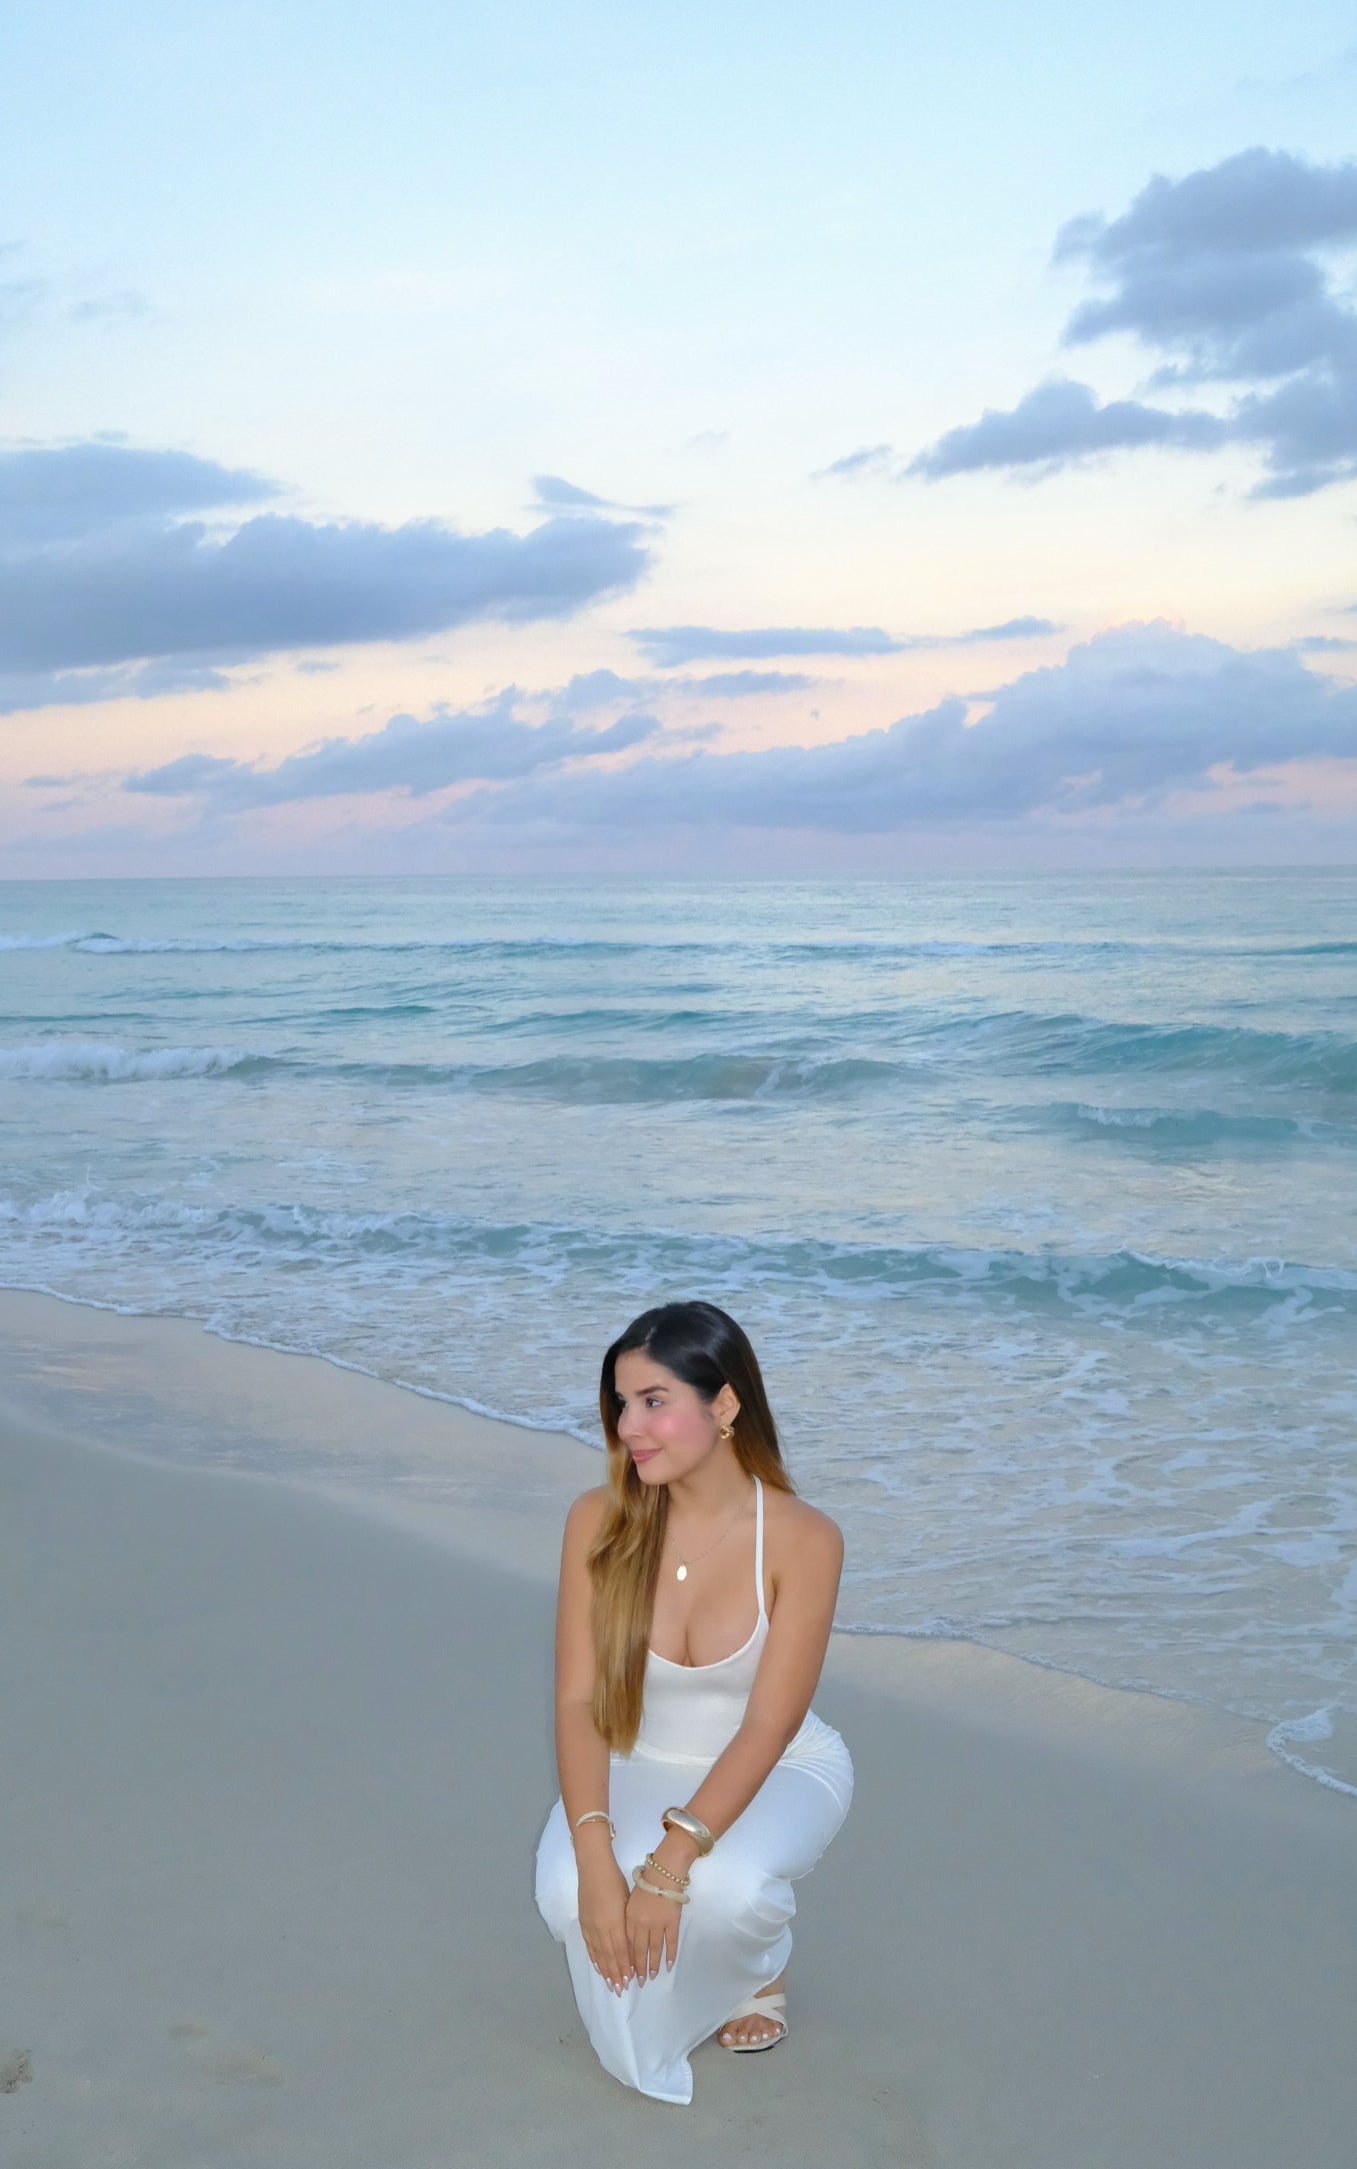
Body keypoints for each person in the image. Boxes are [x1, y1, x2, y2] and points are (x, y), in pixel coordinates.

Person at [533, 1299, 854, 2106]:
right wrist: (597, 1857)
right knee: (566, 1890)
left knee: (729, 1890)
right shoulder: (597, 1520)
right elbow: (577, 1698)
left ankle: (762, 1962)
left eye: (654, 1401)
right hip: (636, 1757)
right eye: (620, 1402)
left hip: (776, 1764)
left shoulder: (803, 1538)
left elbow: (769, 1722)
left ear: (724, 1404)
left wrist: (668, 1865)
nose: (627, 1426)